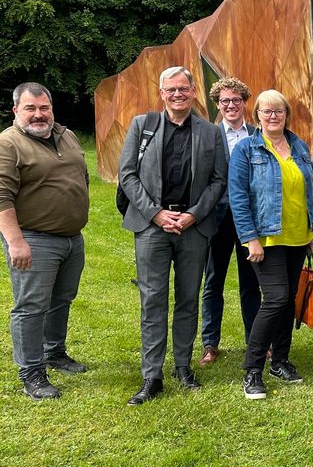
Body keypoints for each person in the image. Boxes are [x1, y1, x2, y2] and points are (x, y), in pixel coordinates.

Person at [118, 66, 227, 405]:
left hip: (193, 227)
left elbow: (218, 181)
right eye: (171, 90)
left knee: (188, 298)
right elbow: (127, 174)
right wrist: (156, 213)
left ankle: (183, 365)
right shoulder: (142, 125)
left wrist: (194, 214)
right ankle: (152, 375)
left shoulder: (210, 132)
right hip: (152, 226)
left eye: (183, 88)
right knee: (152, 300)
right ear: (161, 93)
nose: (177, 94)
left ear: (193, 92)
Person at [0, 82, 89, 400]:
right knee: (31, 307)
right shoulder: (8, 143)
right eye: (30, 108)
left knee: (62, 299)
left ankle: (55, 353)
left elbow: (82, 176)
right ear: (16, 111)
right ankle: (32, 372)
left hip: (70, 238)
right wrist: (15, 242)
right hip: (33, 239)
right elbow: (1, 196)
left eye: (44, 108)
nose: (39, 114)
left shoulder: (67, 135)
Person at [230, 89, 313, 400]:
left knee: (289, 299)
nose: (273, 115)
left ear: (286, 115)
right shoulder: (246, 150)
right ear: (258, 116)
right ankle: (253, 369)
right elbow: (238, 198)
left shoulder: (299, 146)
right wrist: (249, 238)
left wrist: (310, 231)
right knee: (276, 298)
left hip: (297, 236)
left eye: (278, 110)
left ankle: (280, 361)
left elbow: (307, 188)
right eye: (266, 111)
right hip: (265, 238)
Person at [199, 77, 259, 366]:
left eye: (236, 100)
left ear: (245, 102)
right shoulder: (208, 136)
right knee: (213, 282)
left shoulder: (258, 135)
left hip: (250, 221)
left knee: (251, 284)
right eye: (225, 101)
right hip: (217, 219)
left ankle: (256, 341)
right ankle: (210, 343)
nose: (231, 105)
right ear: (218, 105)